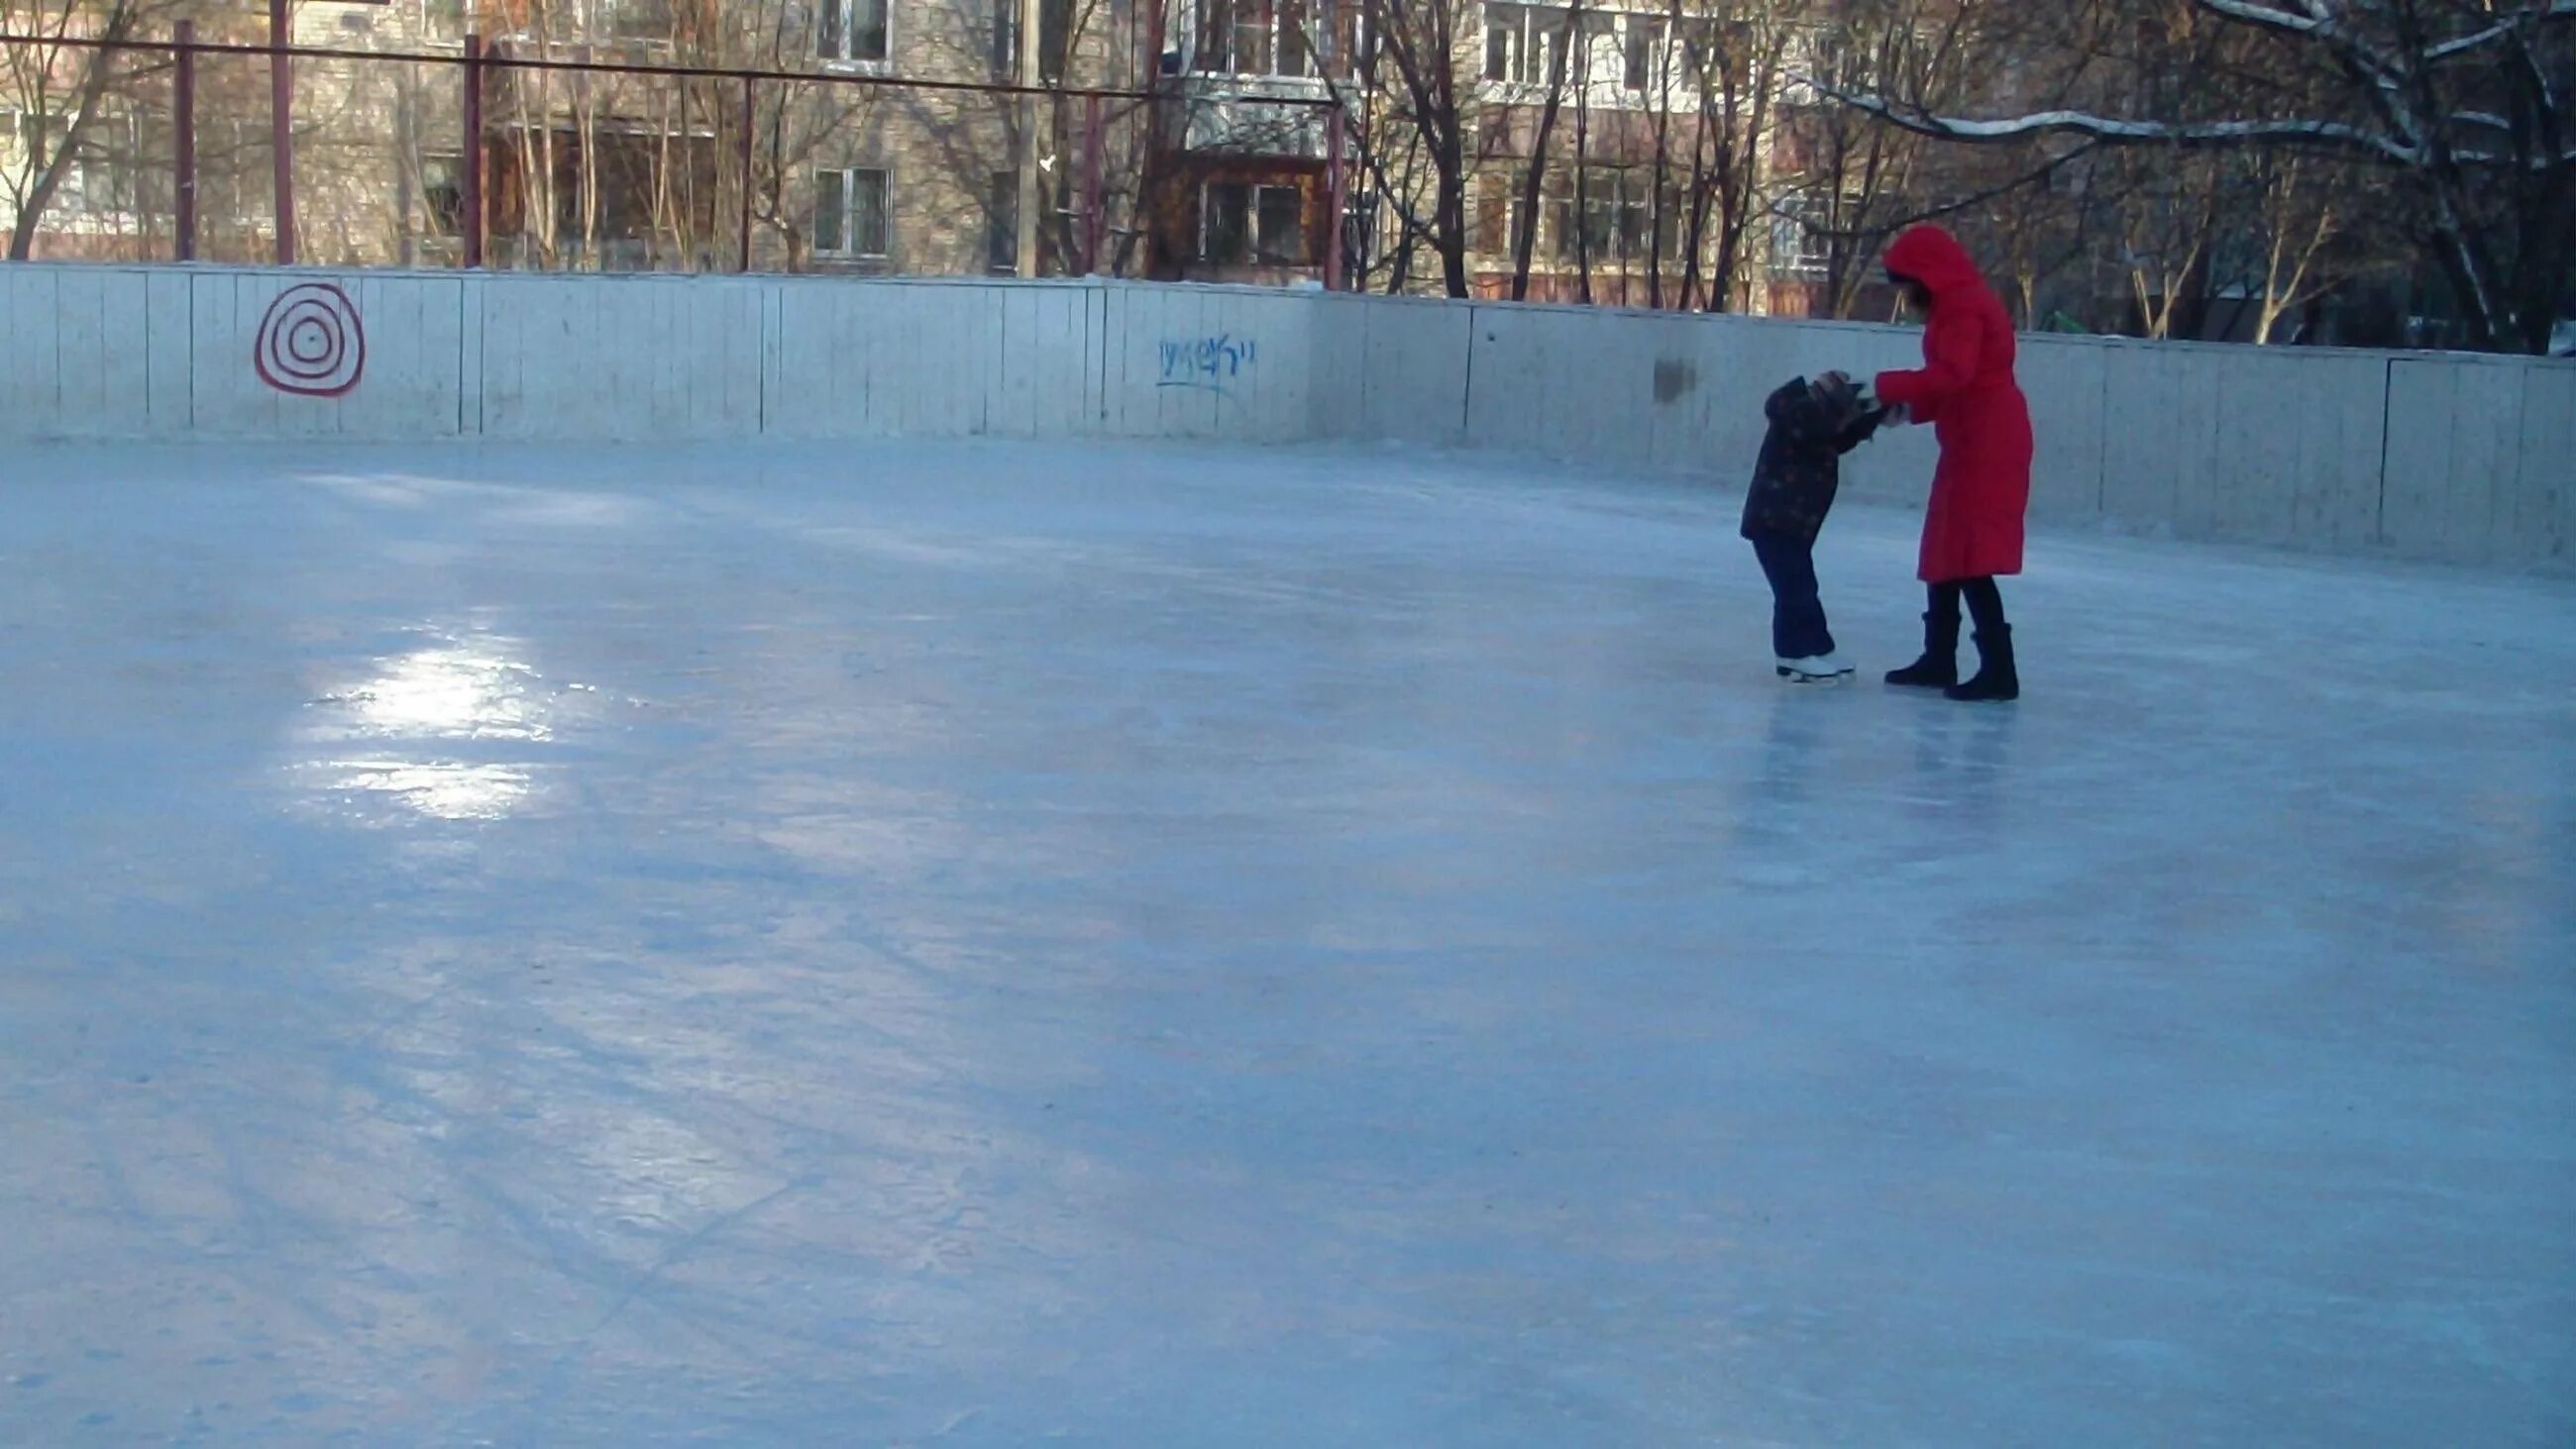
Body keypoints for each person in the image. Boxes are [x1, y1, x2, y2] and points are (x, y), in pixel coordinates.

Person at [1865, 225, 2034, 702]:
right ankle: (1939, 656)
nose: (1905, 296)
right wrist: (1908, 410)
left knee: (1971, 554)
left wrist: (1885, 387)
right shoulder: (1954, 305)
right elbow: (1954, 385)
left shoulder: (1963, 307)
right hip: (1969, 436)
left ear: (1926, 276)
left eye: (1905, 284)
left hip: (1989, 442)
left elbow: (1954, 374)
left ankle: (1999, 669)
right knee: (1945, 547)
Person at [1742, 371, 1885, 681]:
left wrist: (1875, 413)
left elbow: (1838, 438)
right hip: (1774, 521)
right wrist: (1862, 412)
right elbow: (1824, 431)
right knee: (1793, 589)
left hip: (1792, 523)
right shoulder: (1797, 417)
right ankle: (1792, 654)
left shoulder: (1813, 424)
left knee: (1803, 586)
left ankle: (1818, 647)